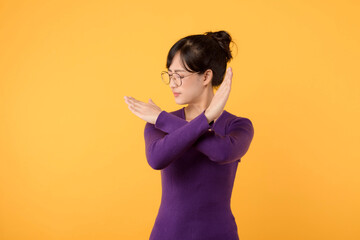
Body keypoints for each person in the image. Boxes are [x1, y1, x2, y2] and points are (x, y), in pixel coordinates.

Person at [124, 30, 254, 240]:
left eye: (180, 76)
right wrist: (207, 118)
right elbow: (156, 159)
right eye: (170, 75)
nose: (172, 83)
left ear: (206, 76)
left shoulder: (238, 125)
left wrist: (164, 118)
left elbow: (221, 152)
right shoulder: (156, 122)